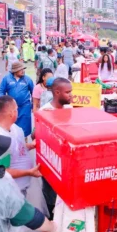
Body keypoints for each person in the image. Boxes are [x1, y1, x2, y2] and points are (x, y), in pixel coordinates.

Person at [0, 95, 42, 194]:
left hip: (22, 186)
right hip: (11, 191)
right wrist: (29, 172)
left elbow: (18, 148)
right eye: (16, 109)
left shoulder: (15, 128)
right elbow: (2, 171)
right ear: (11, 113)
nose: (17, 112)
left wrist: (31, 145)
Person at [39, 78, 73, 220]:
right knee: (51, 198)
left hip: (66, 164)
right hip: (51, 165)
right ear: (57, 92)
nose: (71, 95)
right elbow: (36, 134)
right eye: (68, 92)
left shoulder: (69, 109)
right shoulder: (45, 111)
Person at [0, 62, 34, 137]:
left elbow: (33, 92)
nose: (23, 71)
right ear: (15, 71)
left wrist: (33, 104)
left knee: (24, 130)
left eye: (23, 69)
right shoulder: (7, 79)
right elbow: (1, 90)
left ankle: (24, 145)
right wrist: (2, 103)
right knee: (12, 128)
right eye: (21, 69)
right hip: (11, 108)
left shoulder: (27, 79)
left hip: (25, 107)